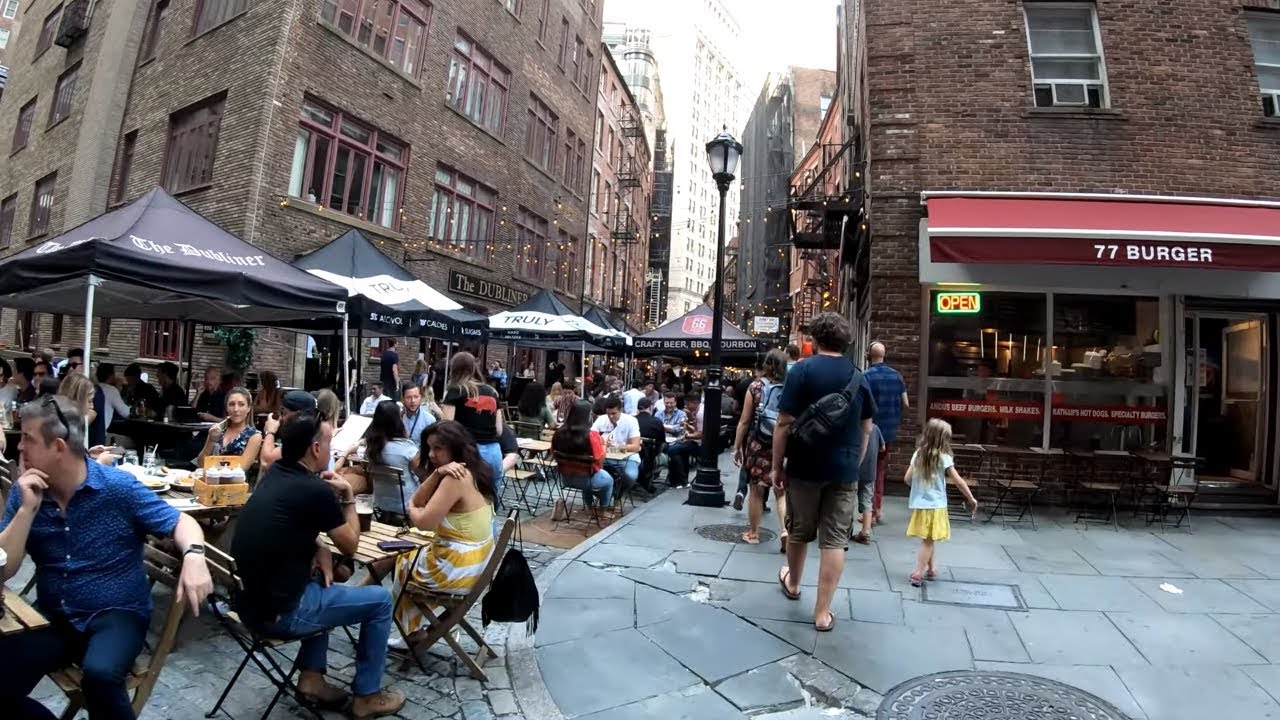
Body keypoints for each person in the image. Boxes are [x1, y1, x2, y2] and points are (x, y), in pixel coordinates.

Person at [0, 396, 213, 719]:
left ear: (58, 447)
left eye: (27, 439)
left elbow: (182, 522)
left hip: (117, 614)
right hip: (56, 617)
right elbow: (4, 568)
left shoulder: (117, 488)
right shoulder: (25, 491)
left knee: (100, 675)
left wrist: (195, 557)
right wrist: (27, 510)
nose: (19, 447)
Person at [232, 410, 405, 718]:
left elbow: (282, 522)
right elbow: (351, 545)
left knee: (322, 579)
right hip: (280, 613)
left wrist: (318, 544)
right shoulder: (315, 491)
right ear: (314, 448)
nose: (332, 447)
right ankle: (367, 696)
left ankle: (312, 678)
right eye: (329, 441)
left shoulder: (276, 474)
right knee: (380, 600)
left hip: (248, 604)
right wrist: (349, 495)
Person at [771, 312, 875, 633]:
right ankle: (821, 613)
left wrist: (777, 465)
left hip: (803, 465)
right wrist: (854, 462)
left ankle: (793, 583)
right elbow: (867, 428)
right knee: (835, 540)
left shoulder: (801, 370)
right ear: (846, 342)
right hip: (843, 468)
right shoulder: (859, 376)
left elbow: (784, 422)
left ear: (814, 340)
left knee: (799, 529)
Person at [389, 421, 496, 648]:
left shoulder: (455, 477)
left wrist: (412, 508)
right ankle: (432, 625)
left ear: (455, 447)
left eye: (438, 448)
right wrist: (437, 473)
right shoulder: (476, 469)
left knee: (402, 560)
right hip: (480, 564)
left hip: (457, 568)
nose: (431, 454)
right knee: (409, 552)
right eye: (429, 448)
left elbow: (423, 520)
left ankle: (412, 632)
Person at [905, 419, 977, 587]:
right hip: (936, 505)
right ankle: (917, 573)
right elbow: (958, 481)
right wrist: (971, 498)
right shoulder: (944, 457)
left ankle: (931, 569)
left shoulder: (918, 454)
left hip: (920, 504)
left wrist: (918, 488)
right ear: (942, 439)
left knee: (930, 538)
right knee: (928, 541)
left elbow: (907, 478)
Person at [733, 349, 790, 548]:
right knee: (781, 491)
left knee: (756, 489)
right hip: (783, 445)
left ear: (766, 365)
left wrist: (737, 447)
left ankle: (754, 533)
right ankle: (784, 530)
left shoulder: (755, 387)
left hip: (758, 444)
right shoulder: (791, 386)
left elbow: (744, 421)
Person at [440, 352, 506, 510]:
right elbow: (499, 430)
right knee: (490, 506)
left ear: (454, 369)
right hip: (494, 453)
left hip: (469, 452)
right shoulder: (492, 392)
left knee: (471, 508)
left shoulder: (456, 391)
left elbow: (446, 427)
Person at [344, 400, 420, 519]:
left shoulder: (372, 448)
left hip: (380, 503)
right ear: (398, 420)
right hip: (408, 505)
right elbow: (422, 475)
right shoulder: (407, 449)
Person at [865, 341, 909, 524]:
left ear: (869, 356)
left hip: (871, 431)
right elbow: (905, 403)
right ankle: (878, 509)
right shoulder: (897, 376)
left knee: (868, 471)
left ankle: (870, 512)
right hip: (889, 431)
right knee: (880, 470)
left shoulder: (866, 376)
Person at [553, 400, 615, 510]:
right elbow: (600, 462)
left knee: (588, 473)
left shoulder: (558, 433)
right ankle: (603, 510)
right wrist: (604, 444)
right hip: (587, 479)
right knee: (609, 480)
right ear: (587, 416)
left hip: (565, 478)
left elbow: (553, 454)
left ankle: (589, 507)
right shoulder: (591, 436)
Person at [196, 387, 263, 469]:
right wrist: (211, 440)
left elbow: (241, 468)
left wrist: (213, 468)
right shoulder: (218, 430)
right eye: (231, 404)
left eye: (241, 404)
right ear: (226, 408)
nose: (236, 409)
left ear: (248, 408)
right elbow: (200, 464)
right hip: (210, 480)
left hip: (235, 481)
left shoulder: (254, 436)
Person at [590, 396, 642, 500]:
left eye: (614, 413)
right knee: (588, 473)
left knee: (631, 476)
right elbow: (590, 437)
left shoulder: (631, 420)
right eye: (608, 413)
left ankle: (617, 495)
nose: (610, 417)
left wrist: (617, 448)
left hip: (627, 457)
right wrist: (602, 441)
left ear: (620, 410)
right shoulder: (601, 419)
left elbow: (635, 446)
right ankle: (606, 496)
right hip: (604, 457)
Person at [259, 389, 320, 474]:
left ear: (298, 415)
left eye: (284, 413)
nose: (281, 418)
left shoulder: (300, 438)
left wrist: (270, 432)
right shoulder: (319, 432)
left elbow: (266, 463)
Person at [852, 423, 885, 545]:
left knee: (848, 500)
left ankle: (844, 530)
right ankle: (865, 532)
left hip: (853, 470)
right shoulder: (875, 428)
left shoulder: (853, 425)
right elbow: (883, 448)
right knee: (867, 501)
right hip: (870, 471)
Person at [664, 393, 703, 488]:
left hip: (699, 445)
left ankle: (676, 480)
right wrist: (688, 426)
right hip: (693, 442)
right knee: (678, 451)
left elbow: (700, 434)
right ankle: (682, 480)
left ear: (694, 402)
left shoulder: (699, 414)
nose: (686, 406)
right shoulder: (699, 410)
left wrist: (687, 436)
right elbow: (696, 430)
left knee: (672, 450)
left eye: (688, 404)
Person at [633, 397, 666, 493]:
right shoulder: (656, 422)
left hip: (632, 453)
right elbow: (662, 443)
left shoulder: (632, 420)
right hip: (649, 458)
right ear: (650, 407)